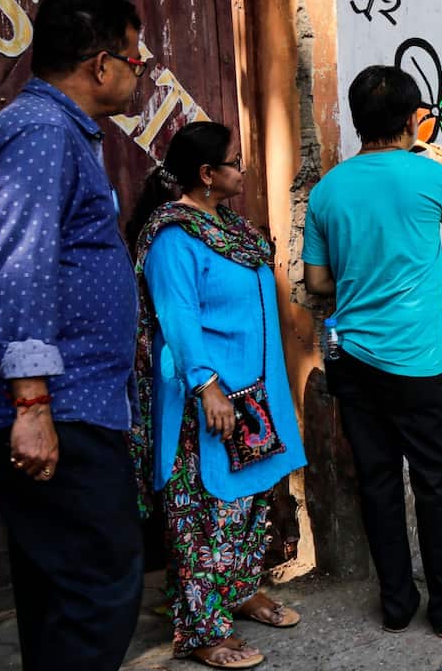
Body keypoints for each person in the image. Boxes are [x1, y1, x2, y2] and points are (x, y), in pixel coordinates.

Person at [0, 0, 146, 670]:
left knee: (56, 582)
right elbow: (16, 264)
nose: (138, 72)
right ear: (100, 64)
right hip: (58, 402)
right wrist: (31, 402)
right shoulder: (41, 131)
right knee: (101, 581)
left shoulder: (56, 132)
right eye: (135, 59)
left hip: (73, 399)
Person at [302, 65, 442, 638]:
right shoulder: (431, 176)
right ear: (413, 119)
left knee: (376, 481)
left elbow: (318, 283)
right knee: (436, 483)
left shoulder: (327, 190)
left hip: (352, 360)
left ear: (356, 119)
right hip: (418, 364)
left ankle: (396, 604)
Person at [128, 121, 308, 669]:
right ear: (207, 175)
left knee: (249, 500)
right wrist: (207, 387)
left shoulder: (229, 228)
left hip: (255, 396)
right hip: (207, 398)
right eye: (235, 162)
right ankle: (202, 630)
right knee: (204, 513)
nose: (243, 170)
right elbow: (177, 318)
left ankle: (239, 590)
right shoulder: (173, 237)